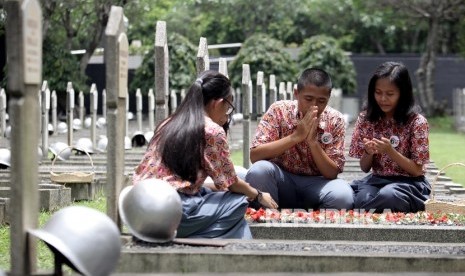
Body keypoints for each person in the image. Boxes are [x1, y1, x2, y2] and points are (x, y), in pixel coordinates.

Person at [132, 70, 277, 239]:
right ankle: (198, 237)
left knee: (212, 195)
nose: (227, 114)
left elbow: (176, 180)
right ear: (218, 103)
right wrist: (259, 195)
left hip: (138, 207)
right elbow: (232, 184)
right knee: (238, 203)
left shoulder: (168, 122)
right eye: (229, 107)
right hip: (170, 211)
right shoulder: (211, 130)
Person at [245, 68, 354, 210]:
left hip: (318, 183)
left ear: (328, 98)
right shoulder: (279, 110)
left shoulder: (335, 119)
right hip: (282, 180)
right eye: (308, 99)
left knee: (343, 196)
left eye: (321, 101)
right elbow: (255, 156)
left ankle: (319, 229)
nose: (314, 105)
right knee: (258, 171)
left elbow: (332, 173)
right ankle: (270, 222)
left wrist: (313, 143)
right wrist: (295, 137)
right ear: (296, 93)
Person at [348, 61, 431, 213]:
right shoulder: (366, 119)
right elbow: (365, 168)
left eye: (390, 94)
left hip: (409, 183)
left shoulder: (417, 122)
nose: (383, 99)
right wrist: (368, 152)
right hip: (376, 181)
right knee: (362, 198)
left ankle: (367, 209)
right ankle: (371, 206)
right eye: (378, 92)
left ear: (403, 93)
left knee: (389, 196)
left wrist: (390, 151)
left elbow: (417, 170)